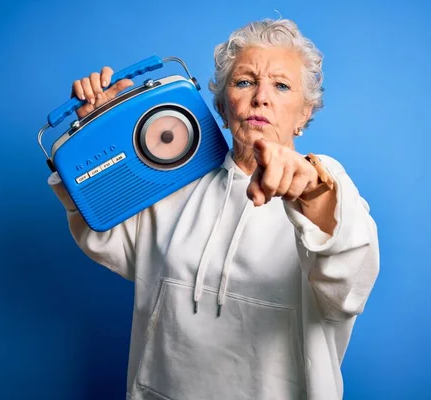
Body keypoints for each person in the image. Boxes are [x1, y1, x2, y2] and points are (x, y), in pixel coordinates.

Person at [48, 17, 380, 400]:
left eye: (282, 86)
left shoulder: (326, 186)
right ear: (222, 107)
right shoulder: (175, 183)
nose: (261, 97)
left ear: (304, 114)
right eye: (244, 82)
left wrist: (311, 189)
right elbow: (104, 235)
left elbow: (350, 283)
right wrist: (97, 132)